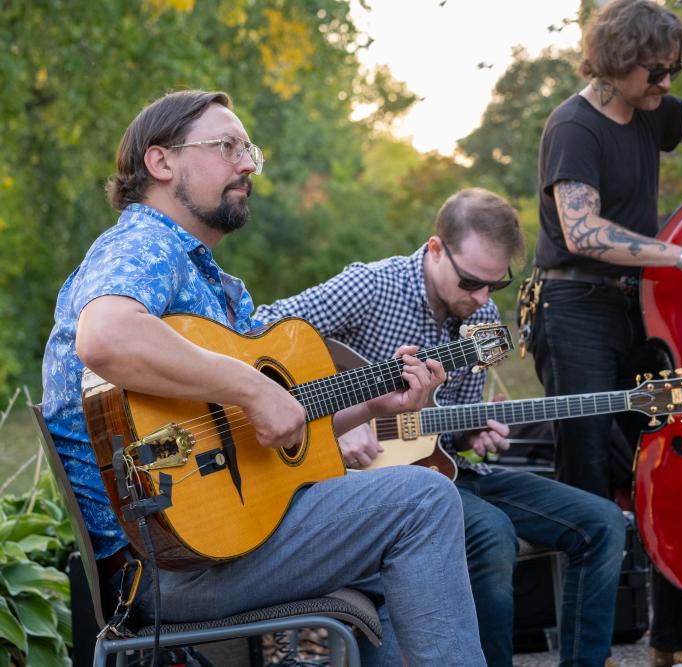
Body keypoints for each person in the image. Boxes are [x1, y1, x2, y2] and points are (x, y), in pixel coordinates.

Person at [41, 90, 487, 665]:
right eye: (227, 146)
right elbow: (105, 337)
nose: (248, 164)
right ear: (161, 162)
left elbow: (277, 422)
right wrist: (251, 387)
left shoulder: (215, 286)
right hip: (168, 565)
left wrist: (374, 407)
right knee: (423, 499)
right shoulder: (143, 245)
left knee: (396, 533)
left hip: (216, 544)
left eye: (248, 149)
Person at [255, 187, 628, 667]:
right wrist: (330, 420)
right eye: (471, 282)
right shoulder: (370, 287)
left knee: (602, 522)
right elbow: (258, 334)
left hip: (445, 472)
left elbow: (448, 438)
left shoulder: (483, 318)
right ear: (435, 249)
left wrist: (475, 437)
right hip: (367, 484)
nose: (482, 298)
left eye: (496, 285)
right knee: (493, 535)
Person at [527, 1, 682, 666]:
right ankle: (583, 656)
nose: (665, 86)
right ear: (619, 60)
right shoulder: (573, 126)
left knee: (675, 453)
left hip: (636, 306)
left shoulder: (650, 110)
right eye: (656, 73)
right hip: (573, 307)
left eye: (673, 73)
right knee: (589, 479)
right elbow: (583, 232)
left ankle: (677, 640)